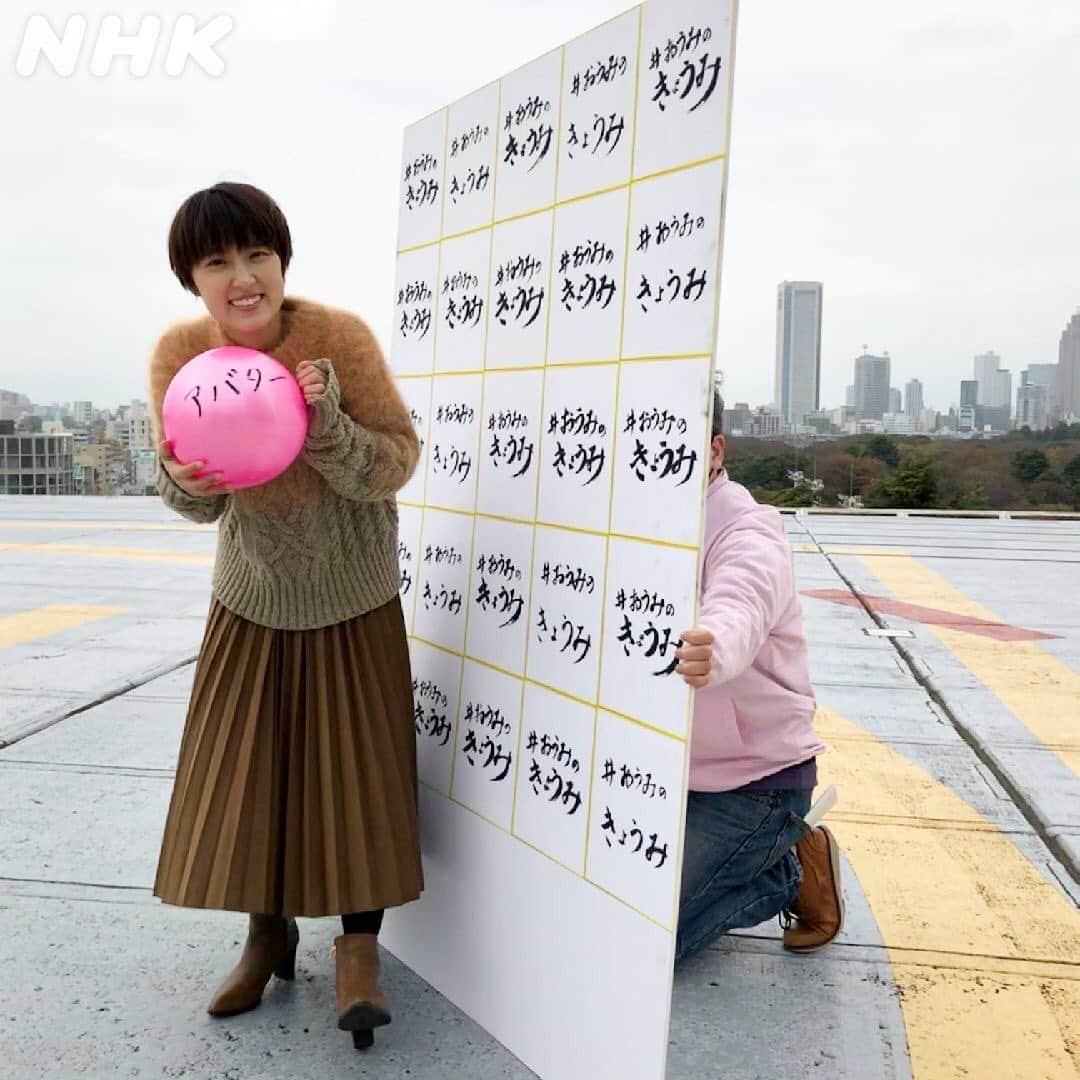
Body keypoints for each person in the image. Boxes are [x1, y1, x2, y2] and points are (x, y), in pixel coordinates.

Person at [147, 181, 422, 1050]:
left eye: (256, 254)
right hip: (253, 596)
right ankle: (266, 937)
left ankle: (359, 953)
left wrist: (325, 418)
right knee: (250, 773)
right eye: (217, 261)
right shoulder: (181, 356)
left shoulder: (338, 339)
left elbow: (395, 465)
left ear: (282, 261)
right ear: (193, 277)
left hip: (354, 592)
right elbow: (195, 499)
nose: (242, 276)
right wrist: (183, 481)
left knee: (359, 774)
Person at [672, 390, 843, 964]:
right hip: (657, 771)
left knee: (642, 946)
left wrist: (712, 647)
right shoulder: (626, 524)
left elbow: (741, 601)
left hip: (753, 785)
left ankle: (788, 868)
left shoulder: (747, 528)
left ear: (714, 450)